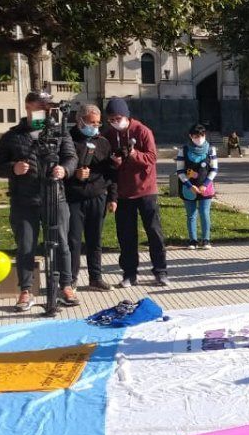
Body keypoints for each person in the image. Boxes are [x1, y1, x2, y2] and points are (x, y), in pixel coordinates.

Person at [0, 92, 77, 313]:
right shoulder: (13, 136)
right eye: (38, 108)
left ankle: (66, 286)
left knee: (61, 243)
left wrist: (64, 169)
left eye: (46, 109)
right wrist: (13, 168)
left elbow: (71, 157)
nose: (42, 113)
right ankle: (26, 290)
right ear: (28, 107)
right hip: (24, 201)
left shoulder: (59, 132)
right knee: (26, 246)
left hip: (55, 198)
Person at [103, 98, 167, 287]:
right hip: (123, 193)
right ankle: (129, 273)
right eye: (111, 119)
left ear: (126, 116)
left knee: (154, 232)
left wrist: (133, 154)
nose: (115, 122)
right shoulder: (108, 135)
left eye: (118, 118)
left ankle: (160, 271)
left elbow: (152, 157)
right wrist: (114, 162)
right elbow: (106, 162)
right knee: (126, 235)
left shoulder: (142, 131)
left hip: (146, 190)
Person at [65, 104, 117, 292]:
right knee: (73, 240)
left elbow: (111, 173)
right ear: (80, 121)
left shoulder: (102, 142)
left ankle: (95, 277)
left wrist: (112, 197)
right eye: (92, 123)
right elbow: (60, 168)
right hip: (74, 198)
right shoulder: (68, 140)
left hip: (97, 196)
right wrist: (74, 174)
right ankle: (71, 279)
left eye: (98, 123)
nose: (95, 126)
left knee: (95, 239)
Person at [176, 123, 219, 250]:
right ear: (191, 136)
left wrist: (205, 185)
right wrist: (189, 185)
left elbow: (214, 169)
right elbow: (180, 171)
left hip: (206, 188)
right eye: (196, 136)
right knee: (191, 214)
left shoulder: (211, 149)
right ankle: (193, 240)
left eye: (202, 135)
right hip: (188, 188)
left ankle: (206, 239)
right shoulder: (183, 150)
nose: (199, 138)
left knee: (204, 213)